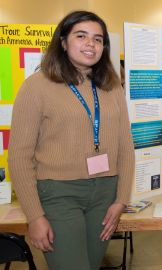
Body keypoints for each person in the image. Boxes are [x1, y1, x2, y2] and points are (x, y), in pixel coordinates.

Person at [8, 11, 135, 269]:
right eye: (81, 36)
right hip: (59, 195)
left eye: (98, 39)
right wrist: (34, 216)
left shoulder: (113, 88)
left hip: (105, 195)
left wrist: (121, 199)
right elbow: (19, 156)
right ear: (63, 42)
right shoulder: (36, 86)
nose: (91, 44)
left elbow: (126, 148)